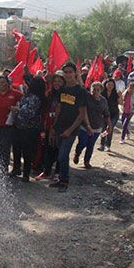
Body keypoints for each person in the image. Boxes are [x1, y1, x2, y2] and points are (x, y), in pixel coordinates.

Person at [50, 62, 87, 191]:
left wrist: (70, 130)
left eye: (70, 72)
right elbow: (59, 108)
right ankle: (60, 179)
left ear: (75, 73)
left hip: (71, 129)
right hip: (60, 126)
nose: (68, 74)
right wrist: (54, 127)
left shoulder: (80, 91)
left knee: (63, 155)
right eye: (65, 72)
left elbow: (82, 114)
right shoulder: (62, 89)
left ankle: (65, 181)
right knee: (61, 155)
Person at [11, 77, 46, 182]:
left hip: (29, 129)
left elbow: (29, 112)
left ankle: (25, 174)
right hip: (19, 126)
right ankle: (17, 169)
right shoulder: (28, 96)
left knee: (27, 152)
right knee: (17, 149)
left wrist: (17, 110)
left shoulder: (35, 98)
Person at [74, 81, 110, 169]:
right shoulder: (87, 97)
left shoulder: (103, 101)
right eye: (94, 89)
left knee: (90, 145)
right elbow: (81, 87)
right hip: (84, 126)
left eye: (98, 90)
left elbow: (106, 114)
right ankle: (77, 153)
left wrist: (109, 125)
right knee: (83, 142)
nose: (95, 91)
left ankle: (87, 161)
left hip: (97, 127)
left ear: (101, 90)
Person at [36, 70, 64, 180]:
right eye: (55, 81)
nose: (57, 83)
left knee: (59, 150)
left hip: (61, 127)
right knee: (48, 148)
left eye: (59, 81)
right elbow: (44, 111)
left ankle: (57, 173)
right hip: (48, 125)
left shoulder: (66, 95)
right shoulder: (49, 94)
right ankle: (46, 171)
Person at [99, 78, 121, 152]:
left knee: (109, 129)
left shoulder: (116, 93)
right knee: (103, 129)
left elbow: (121, 103)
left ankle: (107, 145)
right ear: (105, 85)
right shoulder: (102, 93)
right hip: (104, 114)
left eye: (112, 85)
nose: (110, 86)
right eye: (108, 84)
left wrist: (120, 96)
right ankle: (102, 145)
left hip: (114, 114)